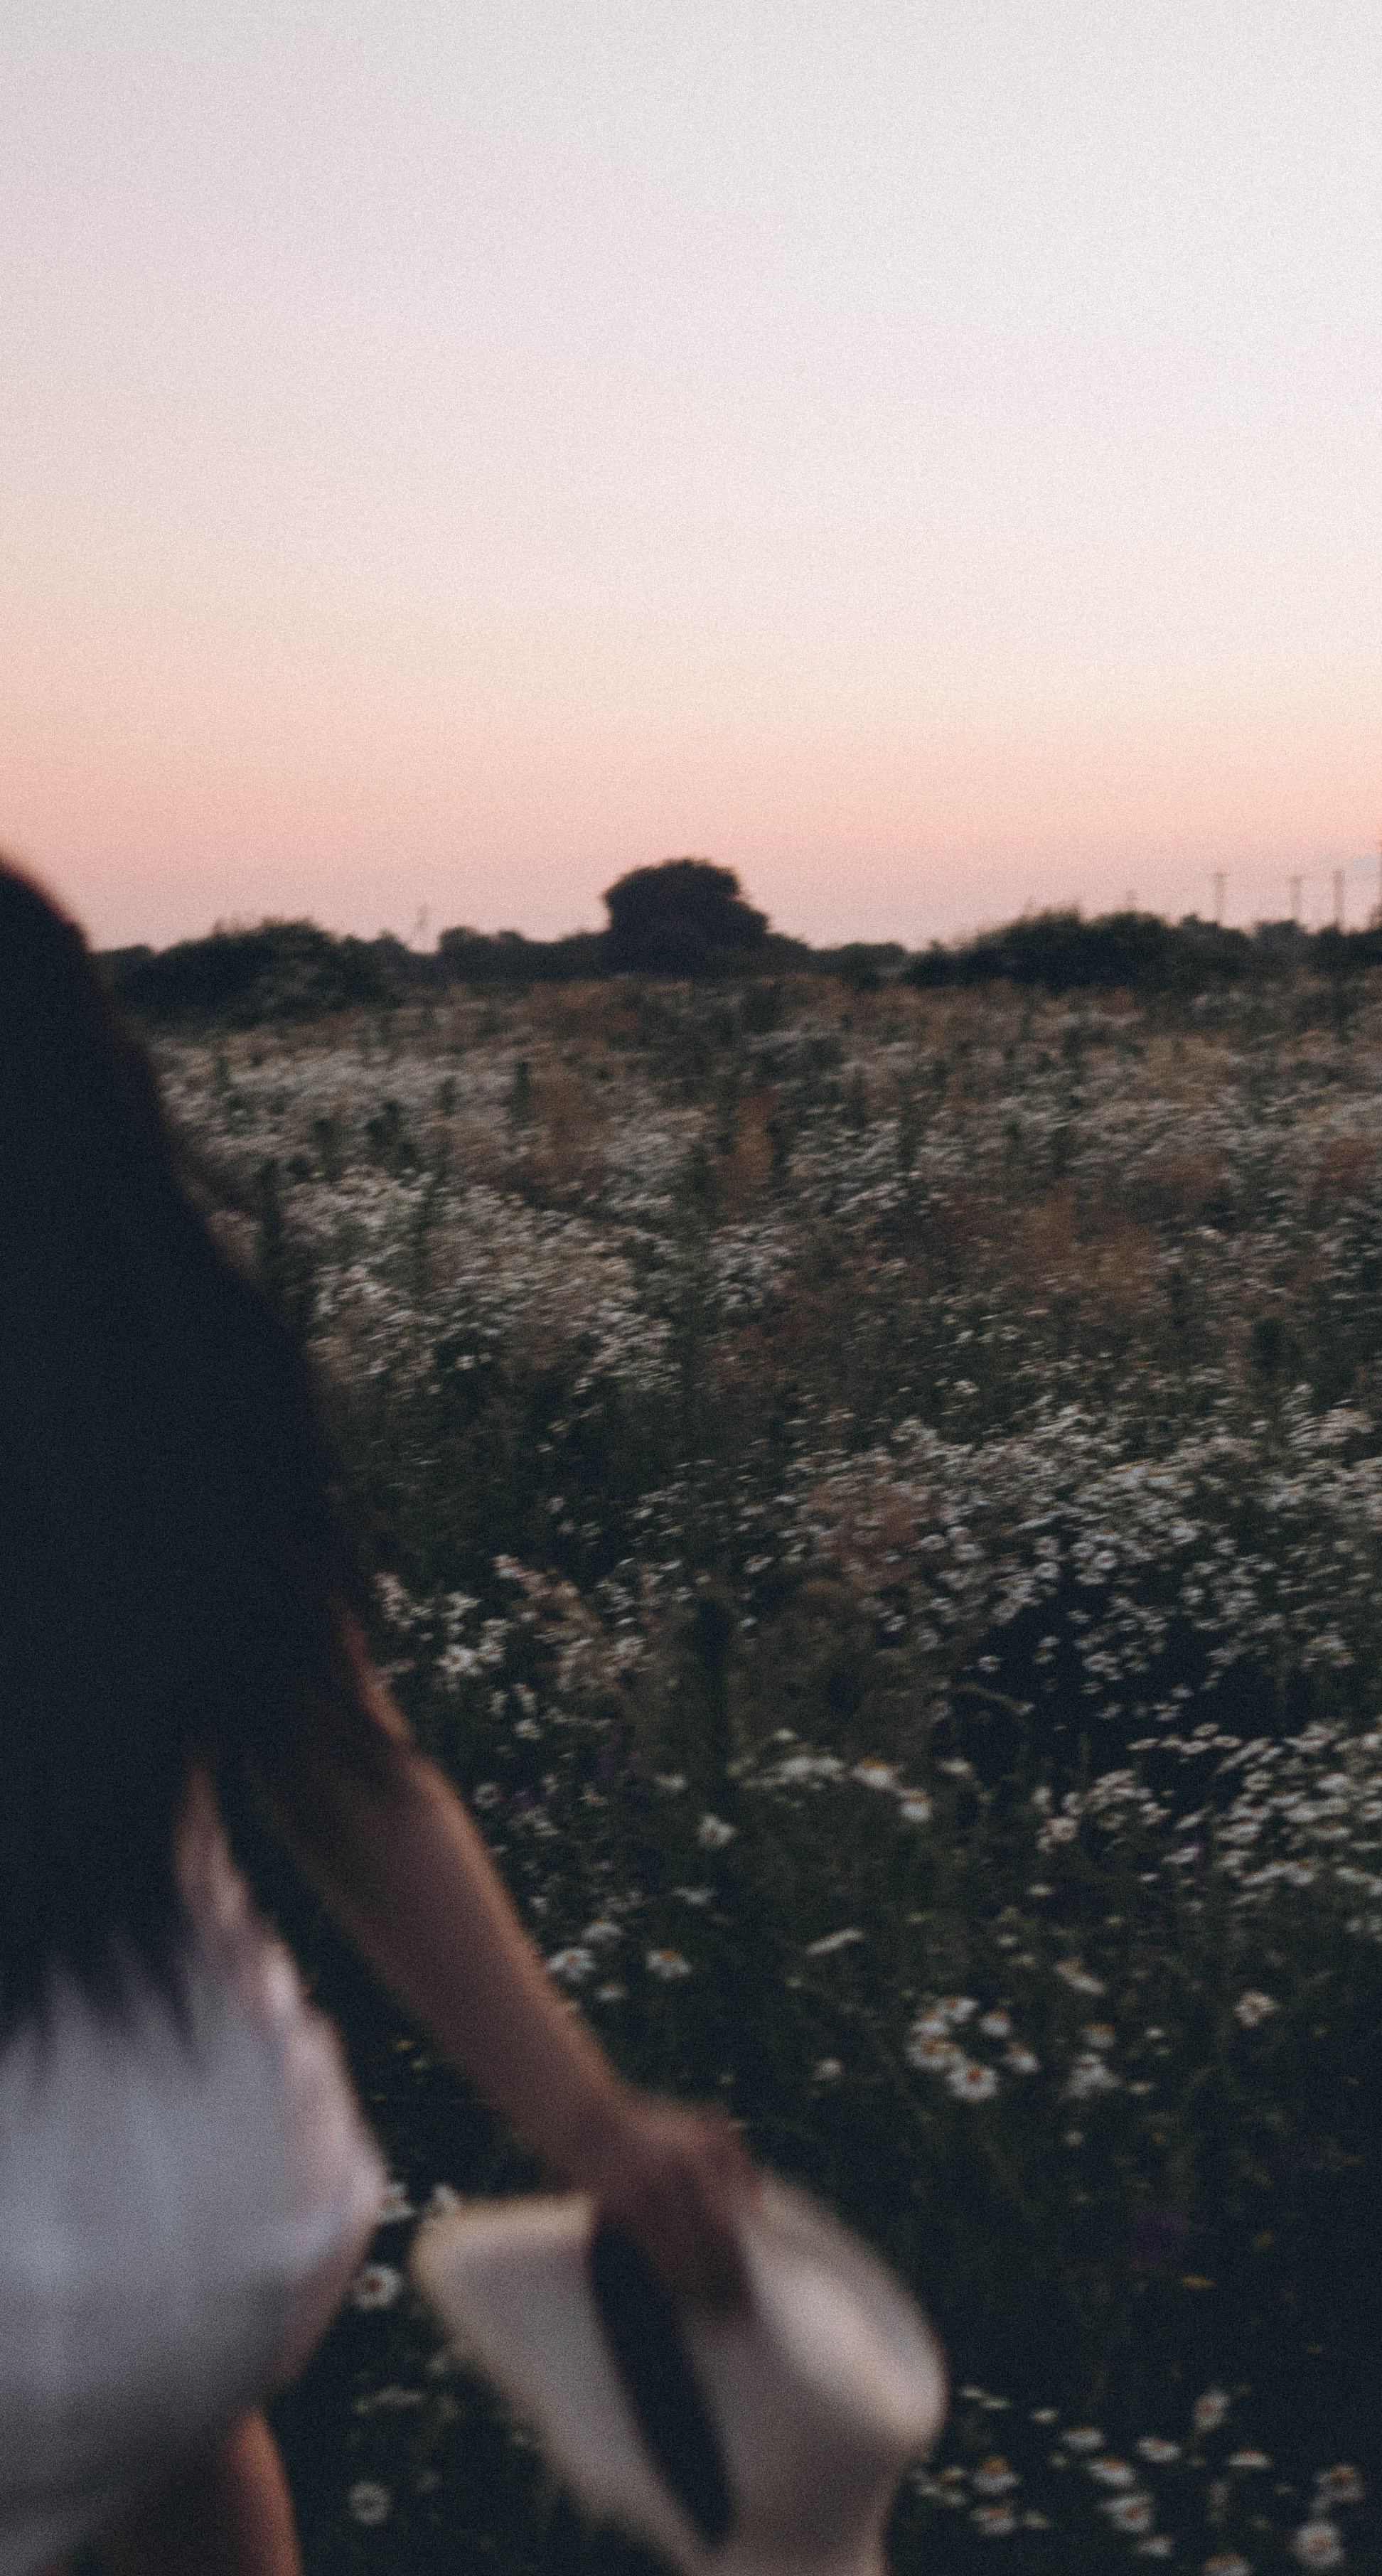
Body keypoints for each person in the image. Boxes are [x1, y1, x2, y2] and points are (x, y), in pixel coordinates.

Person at [0, 862, 757, 2576]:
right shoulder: (166, 1360)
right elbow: (350, 1775)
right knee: (174, 2462)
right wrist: (590, 2123)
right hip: (212, 2215)